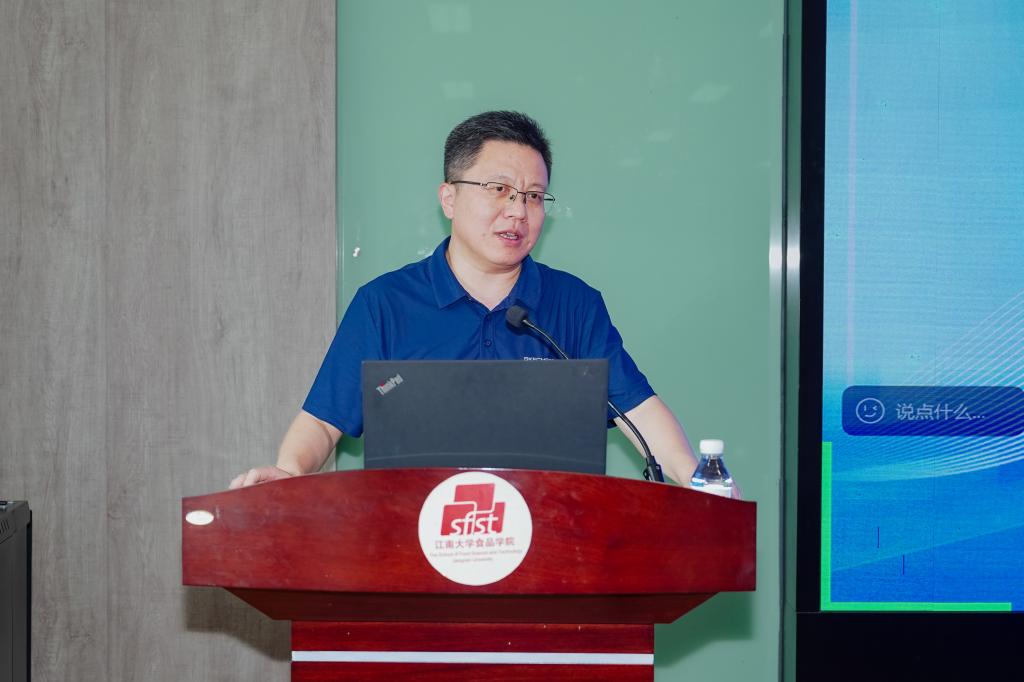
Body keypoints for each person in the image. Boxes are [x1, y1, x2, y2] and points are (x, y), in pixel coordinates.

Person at [230, 111, 703, 490]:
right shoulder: (384, 304)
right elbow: (323, 421)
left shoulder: (574, 304)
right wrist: (289, 473)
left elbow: (638, 411)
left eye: (533, 196)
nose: (518, 210)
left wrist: (699, 481)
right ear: (449, 199)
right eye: (499, 190)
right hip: (411, 544)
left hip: (550, 546)